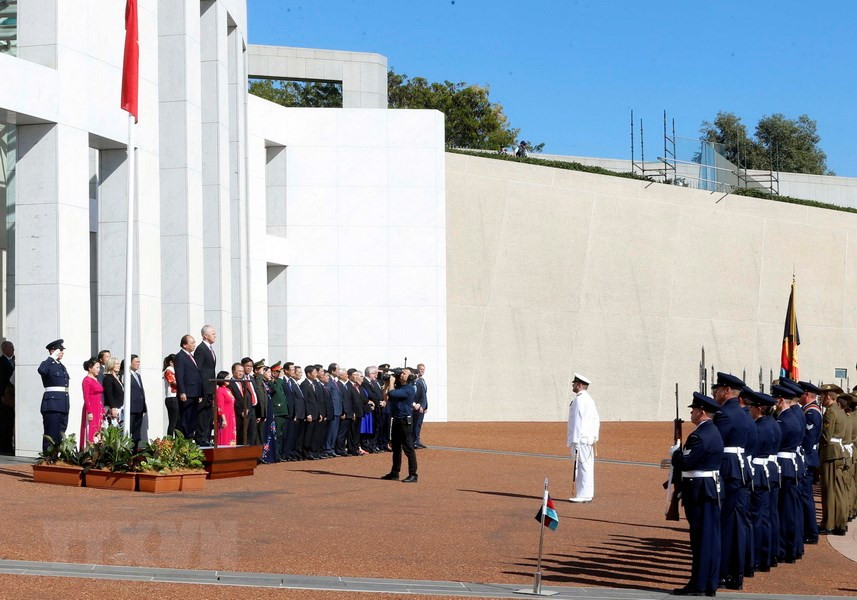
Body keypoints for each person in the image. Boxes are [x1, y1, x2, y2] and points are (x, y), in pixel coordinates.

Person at [671, 392, 724, 597]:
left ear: (702, 412)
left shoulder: (699, 436)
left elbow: (686, 462)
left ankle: (699, 584)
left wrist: (675, 453)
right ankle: (707, 583)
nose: (691, 413)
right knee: (709, 539)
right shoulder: (713, 431)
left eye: (693, 410)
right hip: (708, 489)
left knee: (701, 540)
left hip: (700, 490)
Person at [711, 372, 753, 590]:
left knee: (722, 523)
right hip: (739, 468)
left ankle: (721, 571)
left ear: (726, 391)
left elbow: (714, 443)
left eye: (718, 389)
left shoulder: (724, 414)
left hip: (727, 469)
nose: (716, 393)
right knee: (734, 523)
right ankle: (734, 571)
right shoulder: (742, 413)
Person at [380, 367, 419, 483]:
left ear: (410, 377)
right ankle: (394, 472)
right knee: (396, 448)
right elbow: (387, 398)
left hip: (404, 421)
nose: (401, 375)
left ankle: (413, 474)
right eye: (401, 373)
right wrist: (387, 385)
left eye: (404, 373)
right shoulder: (399, 387)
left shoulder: (409, 389)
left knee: (408, 448)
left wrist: (392, 382)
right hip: (396, 420)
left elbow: (392, 394)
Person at [567, 372, 599, 503]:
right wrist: (594, 436)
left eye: (574, 383)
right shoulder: (589, 399)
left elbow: (578, 421)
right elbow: (596, 420)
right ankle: (587, 493)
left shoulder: (580, 400)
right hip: (587, 439)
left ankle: (583, 494)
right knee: (586, 466)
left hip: (580, 439)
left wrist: (575, 440)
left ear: (579, 385)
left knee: (582, 467)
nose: (573, 385)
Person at [798, 381, 823, 544]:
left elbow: (808, 440)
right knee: (805, 496)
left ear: (806, 394)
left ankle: (811, 532)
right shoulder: (809, 410)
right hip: (808, 457)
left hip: (807, 458)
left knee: (806, 497)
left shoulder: (811, 412)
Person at [38, 339, 70, 452]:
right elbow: (41, 370)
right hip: (52, 405)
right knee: (50, 433)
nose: (62, 352)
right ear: (53, 351)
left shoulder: (61, 366)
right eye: (60, 350)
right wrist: (51, 357)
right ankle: (47, 457)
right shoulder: (47, 364)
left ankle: (55, 456)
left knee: (60, 434)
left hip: (63, 404)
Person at [174, 334, 203, 439]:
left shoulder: (191, 356)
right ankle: (183, 439)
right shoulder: (180, 356)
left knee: (192, 418)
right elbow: (180, 375)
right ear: (185, 345)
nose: (194, 345)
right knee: (186, 417)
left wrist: (200, 393)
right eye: (192, 343)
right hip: (187, 393)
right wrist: (182, 391)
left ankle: (190, 437)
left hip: (194, 392)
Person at [193, 325, 218, 446]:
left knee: (209, 414)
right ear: (205, 335)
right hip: (204, 388)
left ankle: (206, 437)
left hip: (210, 387)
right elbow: (198, 370)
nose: (215, 336)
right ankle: (201, 438)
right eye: (213, 334)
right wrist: (201, 390)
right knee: (202, 414)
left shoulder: (210, 349)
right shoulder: (201, 349)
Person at [79, 357, 104, 448]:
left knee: (98, 429)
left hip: (98, 408)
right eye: (97, 367)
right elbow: (86, 397)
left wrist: (102, 409)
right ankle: (88, 450)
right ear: (90, 368)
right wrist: (89, 411)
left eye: (99, 368)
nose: (98, 370)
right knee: (91, 429)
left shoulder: (96, 379)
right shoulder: (86, 380)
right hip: (91, 408)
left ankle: (97, 450)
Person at [126, 354, 147, 450]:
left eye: (139, 362)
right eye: (136, 362)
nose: (138, 364)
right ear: (130, 363)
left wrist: (144, 408)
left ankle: (135, 451)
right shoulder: (126, 375)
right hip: (131, 408)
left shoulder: (138, 375)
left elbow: (141, 391)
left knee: (137, 433)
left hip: (139, 408)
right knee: (129, 430)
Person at [227, 363, 248, 444]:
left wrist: (246, 408)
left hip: (245, 413)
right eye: (239, 371)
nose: (241, 373)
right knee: (237, 435)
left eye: (242, 371)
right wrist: (240, 411)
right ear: (233, 372)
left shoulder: (243, 383)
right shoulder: (230, 384)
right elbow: (233, 400)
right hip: (235, 413)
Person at [215, 370, 237, 446]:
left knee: (231, 435)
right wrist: (224, 419)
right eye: (227, 377)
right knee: (225, 435)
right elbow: (220, 406)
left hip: (231, 416)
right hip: (225, 417)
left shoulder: (228, 390)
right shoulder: (219, 390)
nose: (229, 379)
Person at [0, 340, 14, 453]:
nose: (13, 349)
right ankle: (4, 447)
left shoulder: (13, 361)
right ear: (4, 349)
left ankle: (9, 445)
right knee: (4, 421)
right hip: (5, 397)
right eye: (11, 347)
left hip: (12, 397)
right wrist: (2, 395)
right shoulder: (1, 362)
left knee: (10, 422)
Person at [102, 357, 123, 427]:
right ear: (111, 365)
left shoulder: (117, 377)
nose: (119, 365)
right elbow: (109, 394)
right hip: (112, 408)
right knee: (112, 428)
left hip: (119, 407)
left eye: (119, 364)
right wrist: (113, 407)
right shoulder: (108, 378)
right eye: (116, 364)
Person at [162, 354, 179, 436]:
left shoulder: (174, 370)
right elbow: (173, 382)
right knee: (173, 422)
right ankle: (169, 439)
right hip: (172, 397)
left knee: (176, 422)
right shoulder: (169, 370)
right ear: (171, 362)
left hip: (174, 397)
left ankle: (175, 439)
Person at [413, 363, 428, 448]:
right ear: (417, 370)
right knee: (416, 424)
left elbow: (424, 395)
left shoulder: (422, 380)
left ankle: (417, 440)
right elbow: (416, 395)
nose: (422, 371)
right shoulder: (415, 381)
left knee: (419, 424)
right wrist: (419, 405)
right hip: (417, 407)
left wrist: (426, 406)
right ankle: (414, 441)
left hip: (422, 406)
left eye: (423, 369)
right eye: (421, 369)